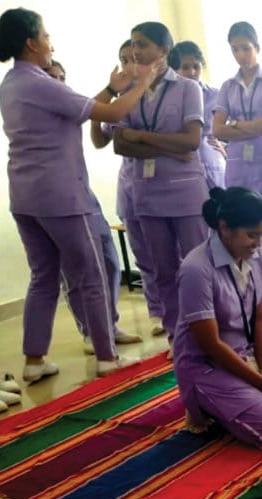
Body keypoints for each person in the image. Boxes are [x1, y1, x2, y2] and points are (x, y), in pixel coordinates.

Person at [0, 7, 159, 381]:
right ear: (32, 42)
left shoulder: (13, 82)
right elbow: (111, 113)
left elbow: (79, 108)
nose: (51, 41)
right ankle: (106, 356)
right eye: (47, 35)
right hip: (61, 196)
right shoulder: (38, 81)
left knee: (43, 277)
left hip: (25, 197)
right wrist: (142, 82)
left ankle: (34, 362)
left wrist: (117, 85)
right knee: (92, 276)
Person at [174, 187, 262, 449]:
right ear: (224, 228)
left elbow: (260, 320)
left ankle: (242, 399)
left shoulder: (259, 256)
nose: (259, 244)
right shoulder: (196, 269)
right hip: (207, 366)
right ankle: (204, 405)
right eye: (252, 235)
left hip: (246, 356)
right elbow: (210, 345)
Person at [113, 22, 209, 343]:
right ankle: (176, 336)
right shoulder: (129, 90)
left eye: (142, 44)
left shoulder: (187, 88)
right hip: (147, 194)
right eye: (133, 43)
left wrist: (140, 135)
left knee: (198, 268)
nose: (136, 51)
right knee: (162, 271)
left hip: (186, 192)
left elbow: (192, 141)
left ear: (163, 51)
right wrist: (169, 144)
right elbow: (119, 145)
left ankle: (209, 333)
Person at [44, 55, 143, 352]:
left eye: (62, 78)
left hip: (83, 192)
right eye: (52, 78)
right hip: (55, 198)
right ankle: (91, 331)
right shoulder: (43, 108)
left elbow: (93, 109)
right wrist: (121, 89)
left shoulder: (68, 104)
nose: (59, 83)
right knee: (76, 268)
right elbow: (106, 117)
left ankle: (107, 324)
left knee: (110, 262)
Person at [91, 40, 166, 338]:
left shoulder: (161, 92)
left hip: (163, 183)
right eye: (123, 59)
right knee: (144, 256)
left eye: (132, 57)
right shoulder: (122, 98)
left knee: (168, 255)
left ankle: (179, 310)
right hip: (131, 186)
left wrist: (136, 138)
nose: (128, 64)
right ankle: (158, 312)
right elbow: (104, 142)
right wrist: (98, 113)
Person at [213, 22, 262, 317]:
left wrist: (236, 127)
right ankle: (251, 291)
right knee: (242, 232)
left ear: (257, 47)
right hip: (237, 169)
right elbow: (217, 129)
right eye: (235, 49)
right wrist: (247, 127)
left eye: (245, 48)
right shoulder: (228, 87)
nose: (241, 54)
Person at [169, 40, 226, 189]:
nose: (192, 72)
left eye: (196, 66)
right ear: (174, 70)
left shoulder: (216, 96)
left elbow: (236, 126)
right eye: (185, 67)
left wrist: (226, 148)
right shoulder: (169, 99)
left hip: (213, 165)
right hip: (183, 165)